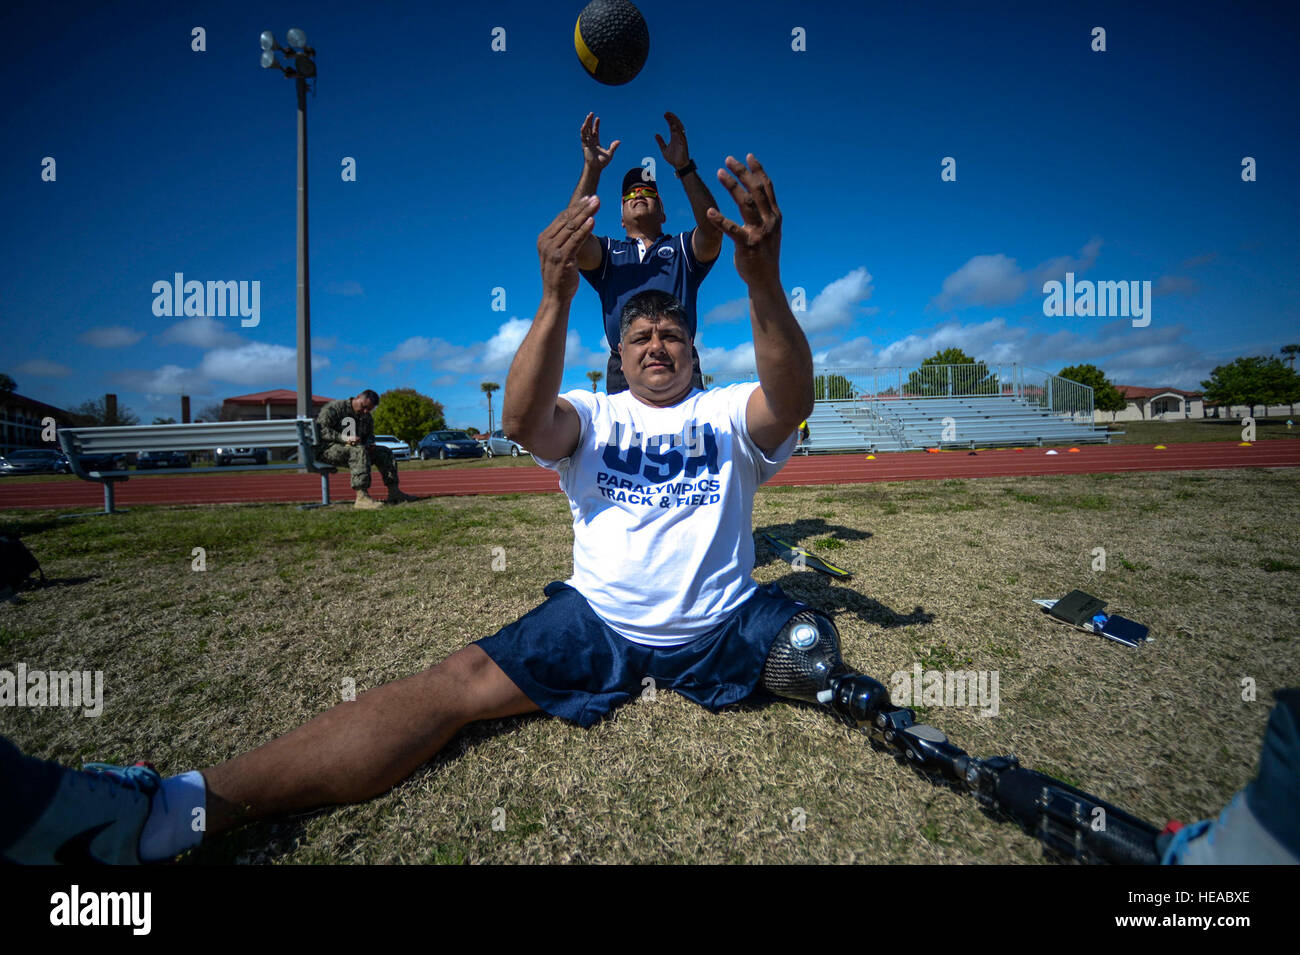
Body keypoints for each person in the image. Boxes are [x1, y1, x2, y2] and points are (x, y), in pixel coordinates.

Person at [0, 152, 817, 864]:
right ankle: (168, 810)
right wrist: (555, 297)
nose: (656, 341)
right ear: (618, 356)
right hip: (598, 620)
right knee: (454, 681)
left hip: (716, 625)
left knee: (813, 648)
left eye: (672, 331)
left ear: (696, 351)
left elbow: (789, 399)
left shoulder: (726, 409)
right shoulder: (595, 413)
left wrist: (765, 284)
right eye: (639, 335)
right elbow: (523, 421)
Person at [571, 111, 723, 394]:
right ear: (621, 217)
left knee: (690, 438)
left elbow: (713, 228)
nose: (638, 194)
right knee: (625, 439)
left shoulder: (681, 248)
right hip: (623, 365)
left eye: (648, 192)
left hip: (679, 358)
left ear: (663, 212)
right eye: (629, 194)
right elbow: (575, 235)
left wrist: (684, 167)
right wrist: (592, 169)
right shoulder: (607, 253)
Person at [315, 390, 417, 509]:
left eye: (369, 409)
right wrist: (345, 438)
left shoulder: (366, 416)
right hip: (327, 450)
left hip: (354, 449)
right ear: (357, 397)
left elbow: (369, 435)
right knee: (358, 450)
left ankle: (394, 492)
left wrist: (369, 444)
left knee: (384, 452)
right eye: (364, 407)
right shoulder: (335, 408)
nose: (365, 411)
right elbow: (322, 430)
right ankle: (362, 497)